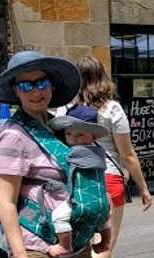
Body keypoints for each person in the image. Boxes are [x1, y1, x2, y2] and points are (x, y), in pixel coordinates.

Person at [0, 50, 109, 258]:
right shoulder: (13, 135)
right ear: (15, 91)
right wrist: (19, 254)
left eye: (41, 83)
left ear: (52, 84)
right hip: (39, 246)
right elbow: (6, 201)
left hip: (76, 242)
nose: (35, 92)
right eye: (26, 86)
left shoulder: (63, 127)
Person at [71, 56, 153, 258]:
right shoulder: (112, 109)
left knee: (80, 248)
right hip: (108, 178)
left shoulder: (66, 109)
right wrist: (143, 187)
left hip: (75, 180)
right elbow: (127, 155)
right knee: (103, 249)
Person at [45, 106, 112, 258]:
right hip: (100, 203)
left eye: (79, 134)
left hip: (81, 203)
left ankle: (64, 245)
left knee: (58, 216)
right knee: (102, 220)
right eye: (68, 134)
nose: (73, 139)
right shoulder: (99, 153)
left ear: (93, 136)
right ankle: (106, 242)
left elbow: (62, 167)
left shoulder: (74, 153)